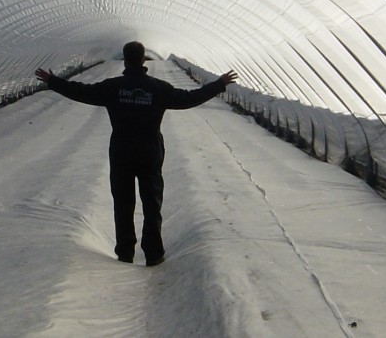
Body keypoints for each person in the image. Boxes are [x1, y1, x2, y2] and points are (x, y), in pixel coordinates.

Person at [34, 41, 237, 266]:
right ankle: (153, 253)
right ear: (143, 59)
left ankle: (125, 252)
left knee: (123, 203)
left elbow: (81, 91)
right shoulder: (158, 88)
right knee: (152, 203)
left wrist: (53, 81)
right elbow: (189, 99)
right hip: (150, 152)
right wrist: (218, 84)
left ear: (124, 58)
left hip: (121, 152)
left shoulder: (112, 87)